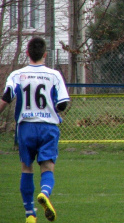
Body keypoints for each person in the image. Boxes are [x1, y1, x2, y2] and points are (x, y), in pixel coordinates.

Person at [0, 37, 70, 223]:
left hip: (26, 127)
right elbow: (63, 104)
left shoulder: (17, 75)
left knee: (26, 168)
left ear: (27, 53)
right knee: (47, 167)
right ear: (45, 55)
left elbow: (6, 98)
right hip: (48, 127)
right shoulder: (54, 75)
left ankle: (30, 214)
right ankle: (45, 193)